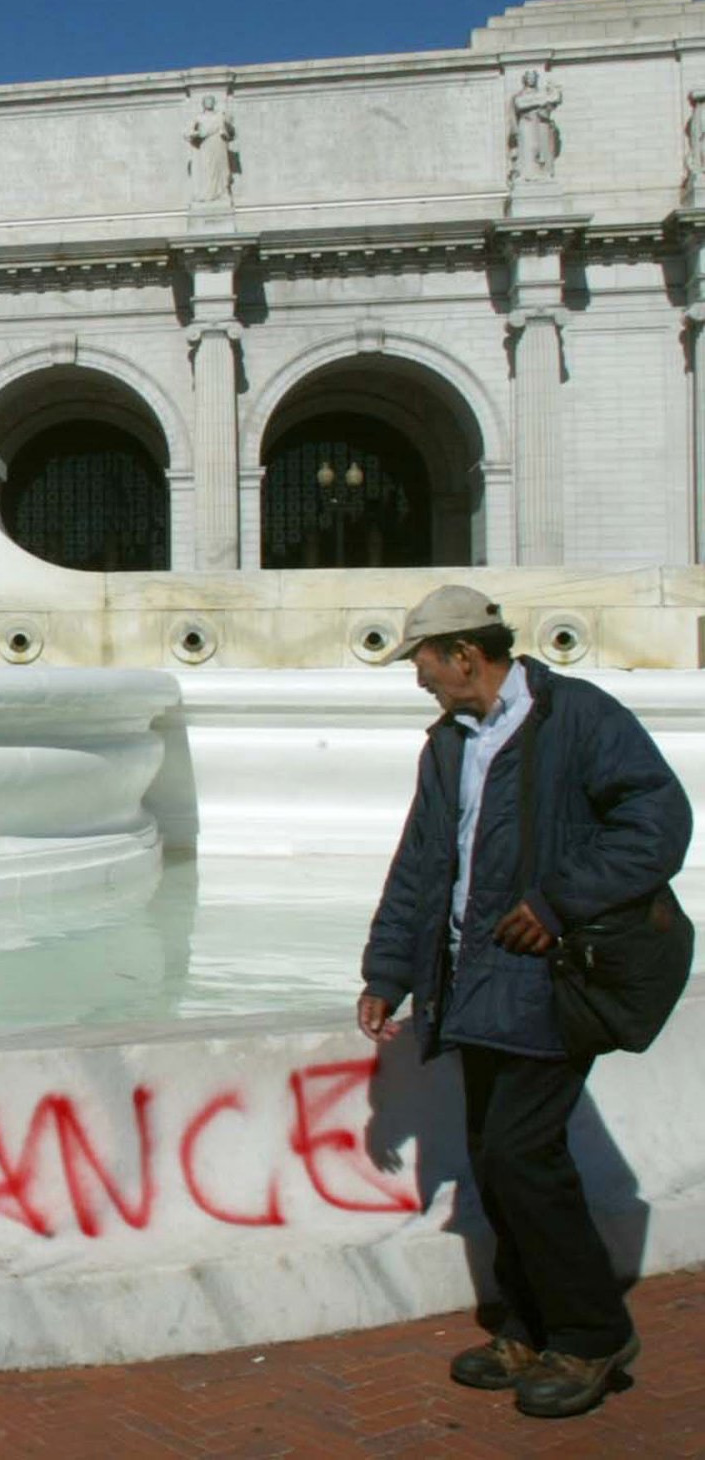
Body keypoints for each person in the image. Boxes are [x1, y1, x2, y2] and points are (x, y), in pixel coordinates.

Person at [357, 584, 691, 1419]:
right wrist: (387, 970)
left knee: (519, 1155)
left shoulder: (575, 717)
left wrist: (558, 900)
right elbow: (422, 862)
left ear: (466, 654)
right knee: (493, 1156)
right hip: (471, 981)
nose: (419, 679)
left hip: (549, 977)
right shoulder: (447, 744)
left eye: (425, 662)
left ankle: (590, 1334)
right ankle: (527, 1324)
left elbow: (659, 821)